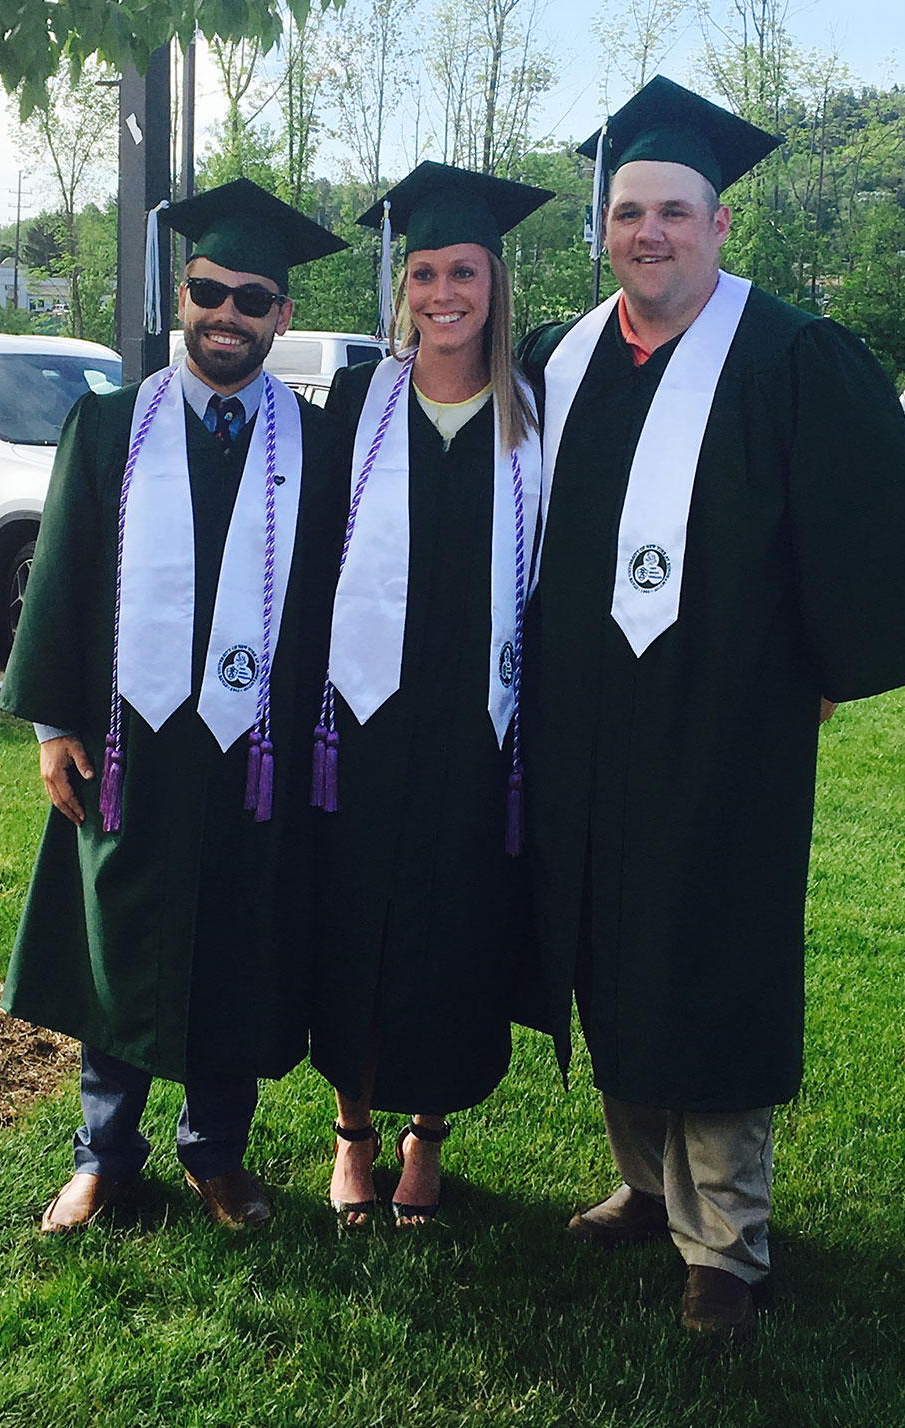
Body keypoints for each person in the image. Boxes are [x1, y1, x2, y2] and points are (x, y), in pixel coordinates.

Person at [518, 77, 905, 1339]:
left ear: (718, 226)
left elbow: (865, 527)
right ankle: (647, 1190)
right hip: (586, 718)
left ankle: (729, 1239)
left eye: (672, 211)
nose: (646, 232)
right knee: (606, 943)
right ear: (604, 227)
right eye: (625, 212)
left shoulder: (788, 356)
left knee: (708, 951)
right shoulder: (568, 353)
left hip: (725, 726)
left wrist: (819, 665)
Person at [0, 179, 347, 1233]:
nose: (225, 315)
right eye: (207, 291)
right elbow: (59, 578)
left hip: (257, 747)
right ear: (178, 296)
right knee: (121, 937)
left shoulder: (317, 444)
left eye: (251, 298)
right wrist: (54, 725)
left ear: (282, 315)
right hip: (129, 738)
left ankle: (216, 1153)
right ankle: (103, 1154)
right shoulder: (109, 426)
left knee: (237, 945)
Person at [308, 162, 552, 1225]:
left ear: (494, 284)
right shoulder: (360, 401)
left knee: (455, 925)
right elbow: (312, 555)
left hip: (476, 727)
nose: (442, 292)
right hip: (364, 718)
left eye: (463, 271)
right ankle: (354, 1133)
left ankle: (429, 1132)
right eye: (422, 273)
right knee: (355, 919)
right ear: (401, 287)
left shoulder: (535, 411)